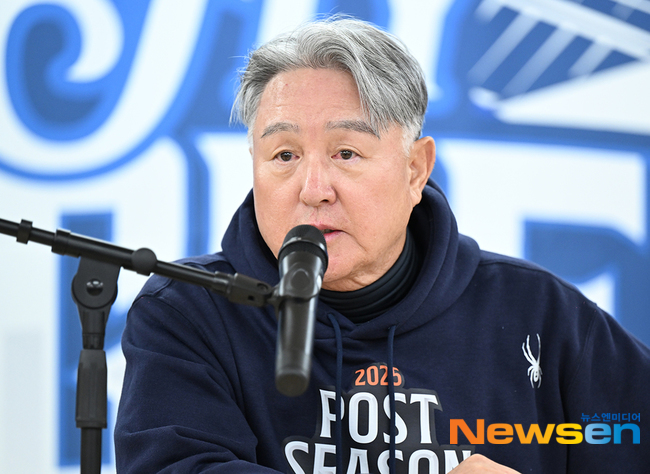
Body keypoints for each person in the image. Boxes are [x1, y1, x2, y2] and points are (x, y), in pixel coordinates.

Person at [114, 17, 650, 473]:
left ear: (415, 169)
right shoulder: (189, 313)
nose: (313, 189)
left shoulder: (541, 316)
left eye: (346, 153)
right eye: (284, 156)